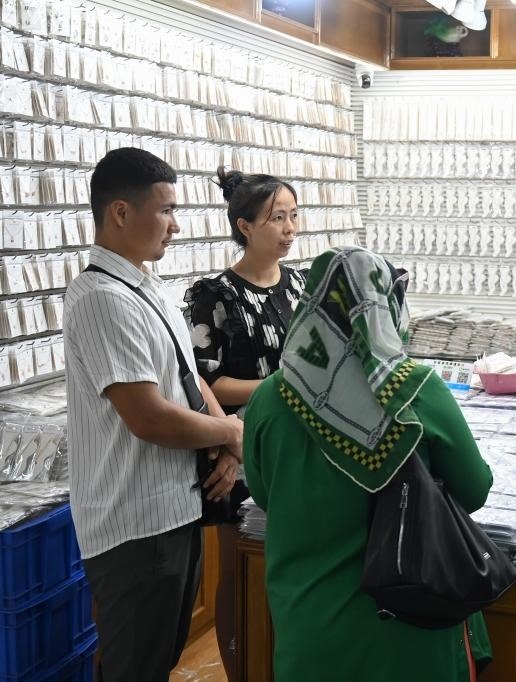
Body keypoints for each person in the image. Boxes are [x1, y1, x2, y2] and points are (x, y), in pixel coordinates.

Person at [243, 246, 494, 681]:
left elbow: (265, 494)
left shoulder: (271, 395)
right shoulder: (415, 390)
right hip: (405, 623)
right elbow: (474, 490)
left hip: (308, 624)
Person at [64, 148, 244, 682]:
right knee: (135, 668)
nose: (175, 225)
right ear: (121, 212)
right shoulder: (101, 298)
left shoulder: (149, 289)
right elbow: (149, 417)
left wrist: (227, 445)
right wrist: (233, 430)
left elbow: (191, 380)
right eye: (166, 210)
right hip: (136, 527)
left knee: (157, 660)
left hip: (175, 509)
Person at [183, 167, 305, 682]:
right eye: (277, 218)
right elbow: (207, 380)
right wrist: (284, 387)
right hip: (239, 448)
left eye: (294, 216)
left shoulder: (302, 286)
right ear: (245, 226)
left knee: (292, 568)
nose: (289, 228)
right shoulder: (213, 295)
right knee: (240, 572)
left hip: (299, 449)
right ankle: (241, 670)